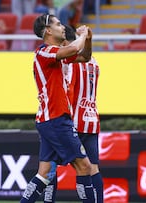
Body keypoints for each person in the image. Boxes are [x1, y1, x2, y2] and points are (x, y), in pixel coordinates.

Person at [20, 14, 95, 203]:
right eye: (58, 24)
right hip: (56, 119)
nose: (63, 27)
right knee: (85, 167)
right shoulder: (44, 52)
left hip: (49, 120)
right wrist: (83, 34)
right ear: (48, 30)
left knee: (44, 173)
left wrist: (89, 40)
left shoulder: (56, 55)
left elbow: (85, 56)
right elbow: (75, 47)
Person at [64, 25, 103, 203]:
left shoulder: (70, 61)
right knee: (93, 168)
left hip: (73, 121)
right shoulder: (94, 61)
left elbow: (67, 89)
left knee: (48, 166)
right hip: (91, 118)